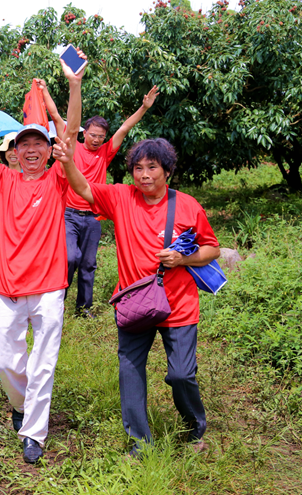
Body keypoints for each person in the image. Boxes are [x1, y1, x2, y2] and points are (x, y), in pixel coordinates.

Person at [0, 51, 85, 464]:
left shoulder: (57, 179)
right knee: (4, 357)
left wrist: (74, 85)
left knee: (43, 363)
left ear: (49, 151)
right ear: (12, 153)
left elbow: (72, 130)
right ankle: (20, 403)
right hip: (8, 287)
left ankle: (34, 433)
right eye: (24, 144)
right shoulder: (3, 178)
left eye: (39, 144)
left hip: (48, 287)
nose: (32, 149)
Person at [57, 136, 219, 456]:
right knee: (130, 370)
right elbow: (85, 189)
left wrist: (183, 260)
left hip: (179, 304)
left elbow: (211, 248)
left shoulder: (186, 205)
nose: (143, 174)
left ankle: (193, 424)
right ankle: (140, 443)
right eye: (138, 168)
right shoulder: (121, 197)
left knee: (181, 374)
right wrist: (66, 162)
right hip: (135, 303)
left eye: (152, 167)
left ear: (167, 171)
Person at [40, 78, 161, 315]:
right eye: (93, 135)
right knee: (70, 257)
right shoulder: (72, 147)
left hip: (94, 217)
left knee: (88, 264)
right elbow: (56, 116)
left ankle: (83, 308)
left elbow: (125, 128)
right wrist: (44, 91)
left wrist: (144, 107)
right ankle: (56, 303)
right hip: (69, 215)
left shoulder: (105, 153)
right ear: (85, 132)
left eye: (101, 136)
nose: (97, 140)